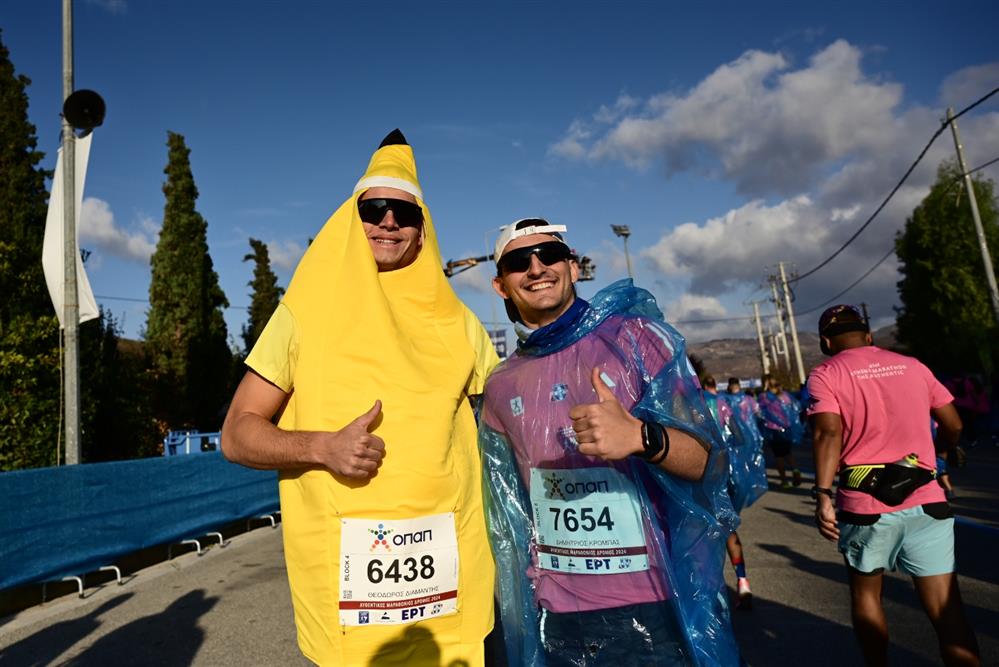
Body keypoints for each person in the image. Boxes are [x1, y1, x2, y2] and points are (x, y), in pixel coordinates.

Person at [221, 130, 499, 666]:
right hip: (351, 597)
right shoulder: (304, 311)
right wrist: (321, 447)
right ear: (354, 216)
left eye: (404, 211)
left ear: (422, 229)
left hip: (451, 581)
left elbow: (508, 418)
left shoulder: (459, 323)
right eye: (374, 209)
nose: (389, 222)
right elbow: (237, 433)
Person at [478, 219, 740, 666]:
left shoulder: (635, 340)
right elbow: (509, 511)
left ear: (574, 267)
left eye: (549, 255)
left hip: (651, 605)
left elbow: (711, 463)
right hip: (557, 614)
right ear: (501, 285)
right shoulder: (501, 385)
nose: (537, 267)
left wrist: (643, 437)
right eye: (519, 262)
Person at [807, 305, 979, 666]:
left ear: (825, 341)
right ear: (868, 336)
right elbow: (954, 423)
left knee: (867, 596)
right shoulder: (913, 366)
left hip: (866, 505)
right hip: (927, 501)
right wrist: (946, 450)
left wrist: (822, 493)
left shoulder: (826, 373)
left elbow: (828, 431)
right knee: (947, 612)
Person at [702, 376, 767, 611]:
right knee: (729, 529)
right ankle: (742, 581)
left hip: (699, 475)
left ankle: (710, 594)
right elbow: (740, 437)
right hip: (726, 474)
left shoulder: (689, 404)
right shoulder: (723, 405)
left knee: (702, 536)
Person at [757, 375, 804, 489]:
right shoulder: (785, 396)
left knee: (778, 456)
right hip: (786, 429)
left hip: (773, 430)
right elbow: (794, 409)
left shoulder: (764, 397)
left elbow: (760, 411)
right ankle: (795, 470)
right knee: (788, 452)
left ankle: (784, 480)